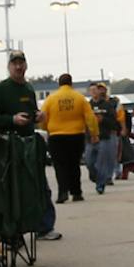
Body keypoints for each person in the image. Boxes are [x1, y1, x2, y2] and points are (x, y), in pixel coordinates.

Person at [39, 74, 99, 204]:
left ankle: (62, 192)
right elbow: (90, 118)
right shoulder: (80, 98)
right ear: (71, 83)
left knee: (60, 166)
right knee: (74, 164)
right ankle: (76, 192)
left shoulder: (51, 99)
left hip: (56, 136)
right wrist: (94, 134)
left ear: (59, 84)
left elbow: (42, 117)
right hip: (76, 135)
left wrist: (45, 128)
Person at [0, 52, 39, 133]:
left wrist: (38, 116)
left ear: (26, 66)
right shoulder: (0, 89)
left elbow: (32, 113)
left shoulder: (29, 88)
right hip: (7, 142)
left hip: (28, 142)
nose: (18, 67)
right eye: (14, 64)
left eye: (21, 63)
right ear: (9, 67)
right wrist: (12, 120)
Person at [86, 82, 123, 193]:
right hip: (90, 138)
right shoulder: (87, 106)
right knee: (89, 162)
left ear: (99, 91)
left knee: (102, 163)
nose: (93, 92)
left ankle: (101, 184)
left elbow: (114, 122)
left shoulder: (107, 105)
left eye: (95, 90)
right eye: (91, 90)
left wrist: (103, 120)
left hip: (104, 137)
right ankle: (95, 177)